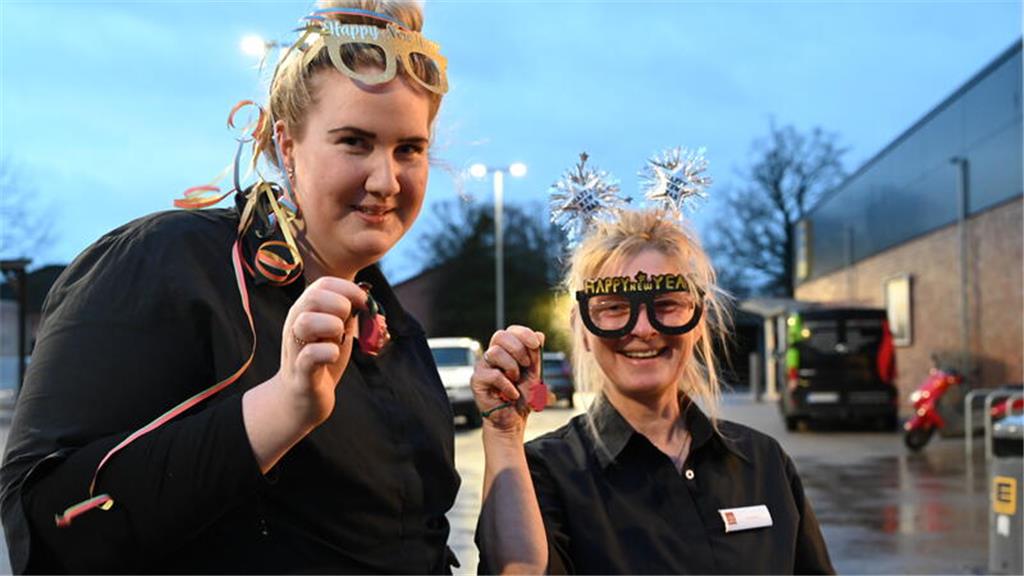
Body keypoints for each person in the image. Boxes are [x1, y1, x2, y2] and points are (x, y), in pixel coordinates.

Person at [0, 1, 460, 573]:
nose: (386, 179)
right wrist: (280, 409)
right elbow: (47, 519)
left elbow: (410, 541)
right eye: (354, 142)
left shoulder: (399, 331)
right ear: (287, 145)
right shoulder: (173, 262)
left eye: (409, 149)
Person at [472, 202, 835, 574]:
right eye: (613, 308)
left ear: (697, 319)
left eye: (666, 304)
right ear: (582, 330)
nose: (643, 329)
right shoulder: (543, 474)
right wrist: (502, 435)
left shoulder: (763, 462)